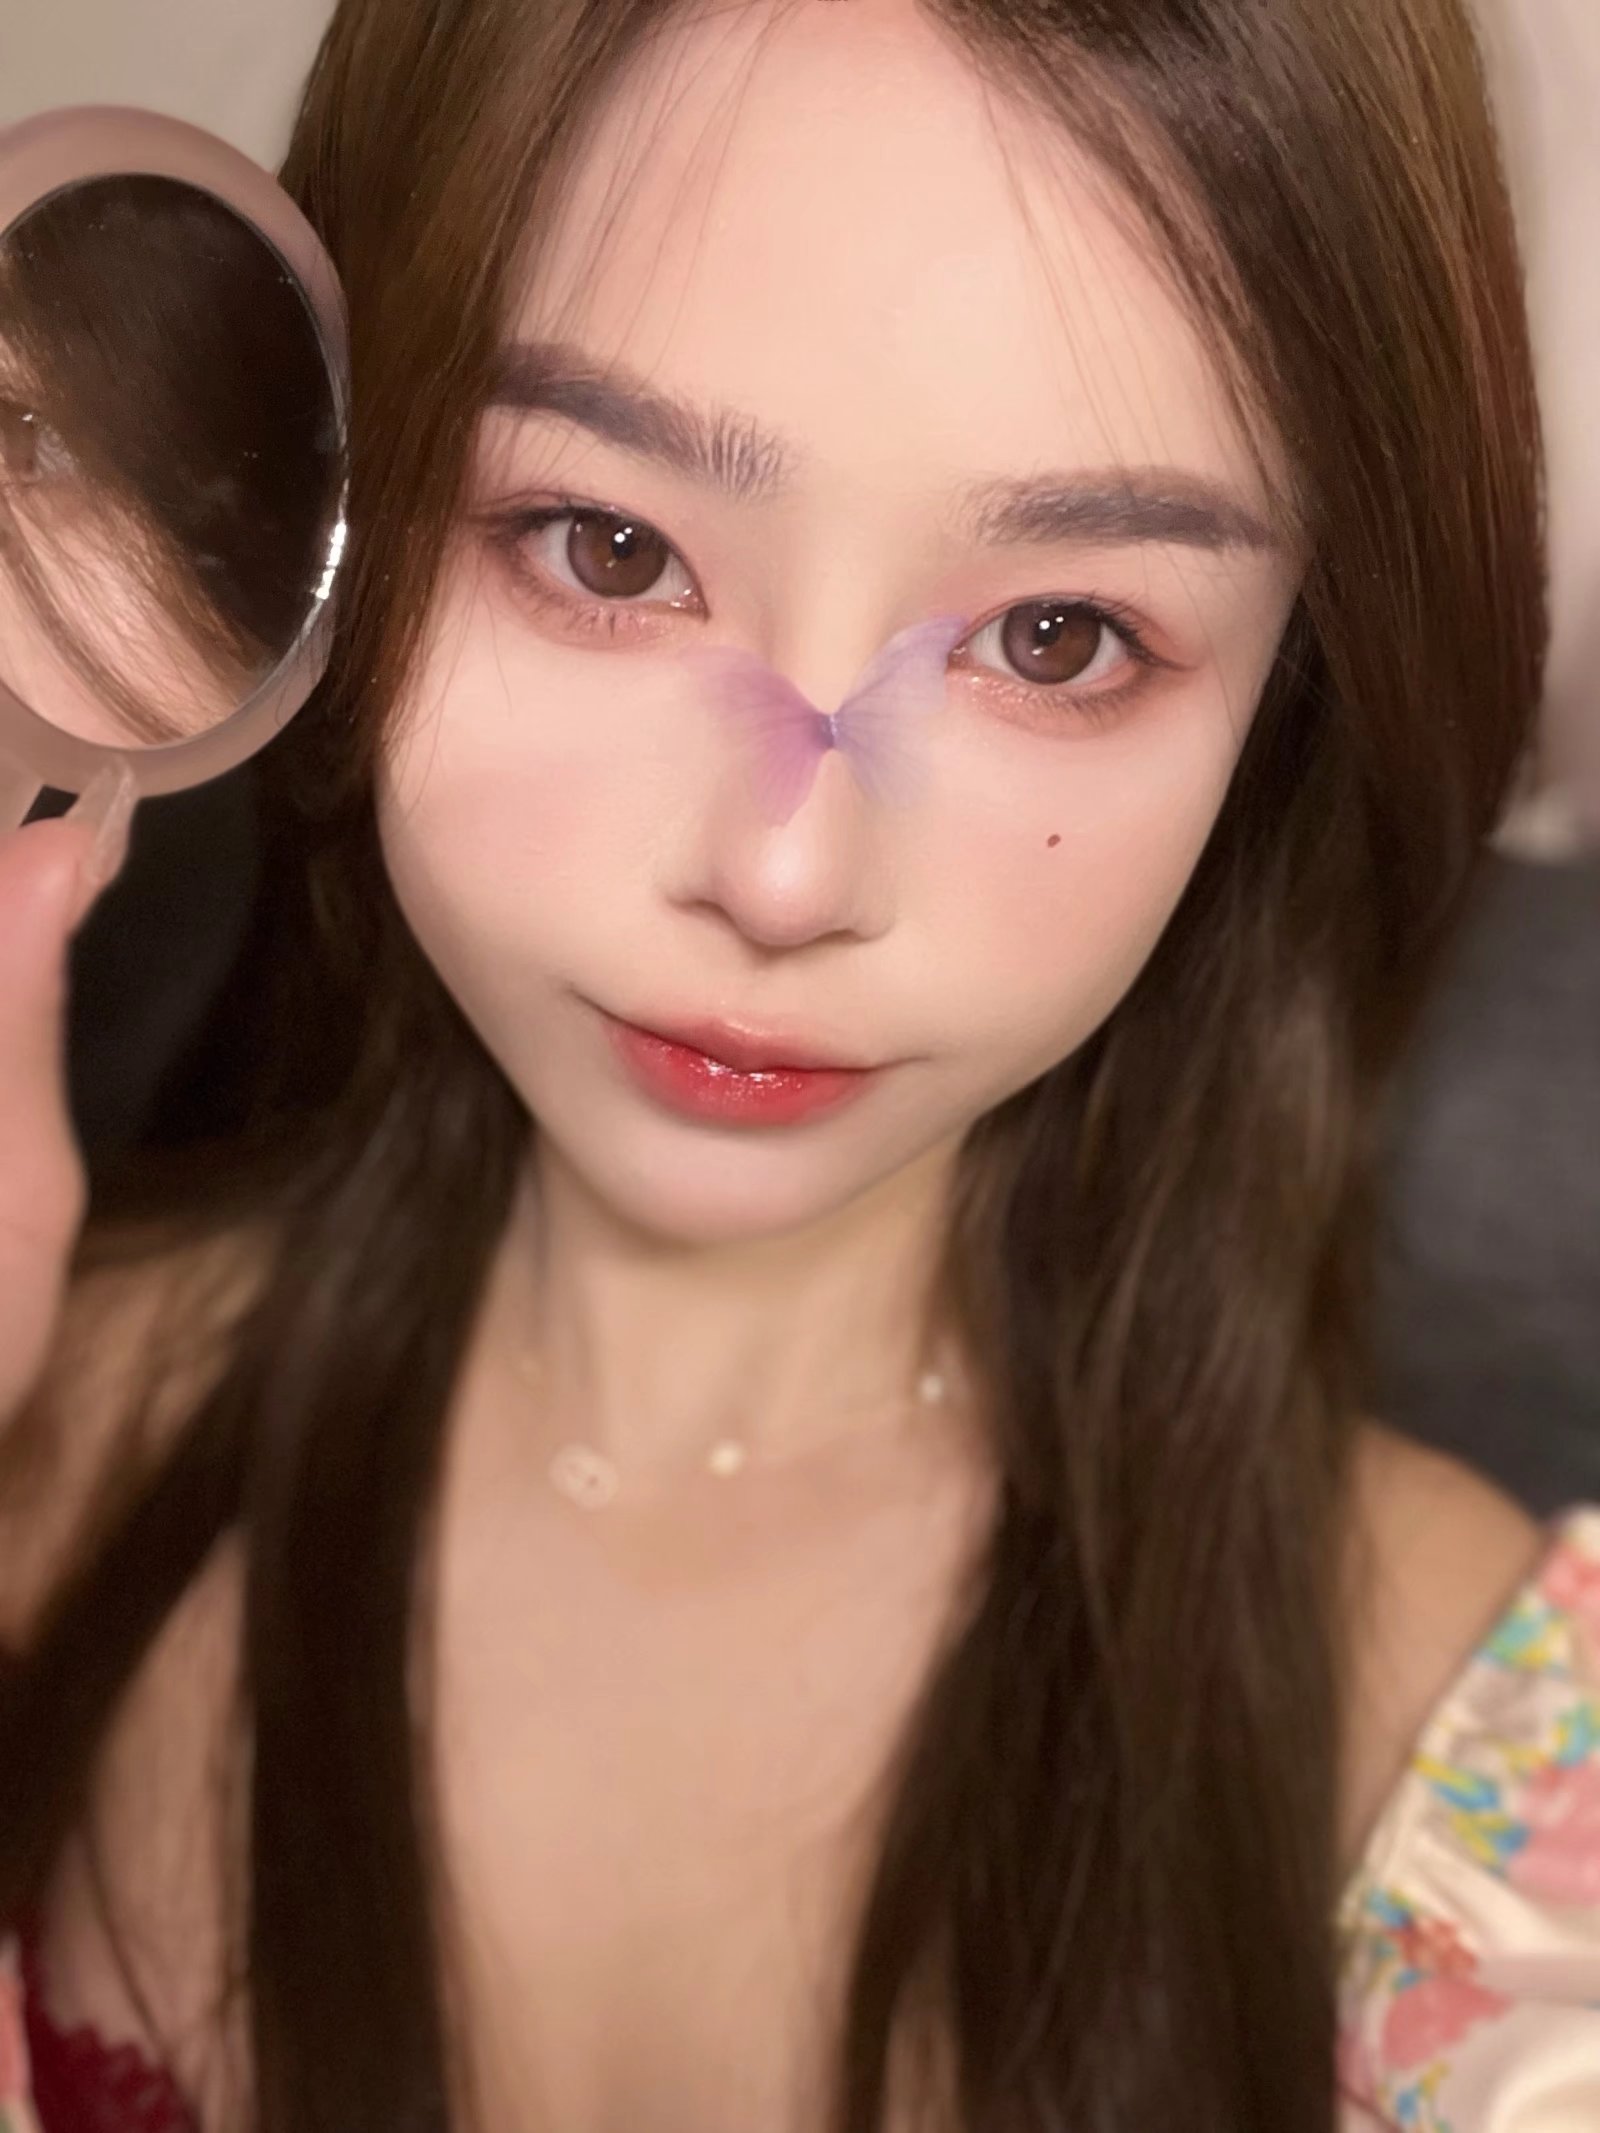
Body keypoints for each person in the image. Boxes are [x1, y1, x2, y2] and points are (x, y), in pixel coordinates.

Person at [0, 1, 1594, 2128]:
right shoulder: (35, 1453)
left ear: (1293, 689)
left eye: (1056, 638)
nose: (785, 870)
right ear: (325, 500)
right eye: (608, 547)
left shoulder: (1489, 1780)